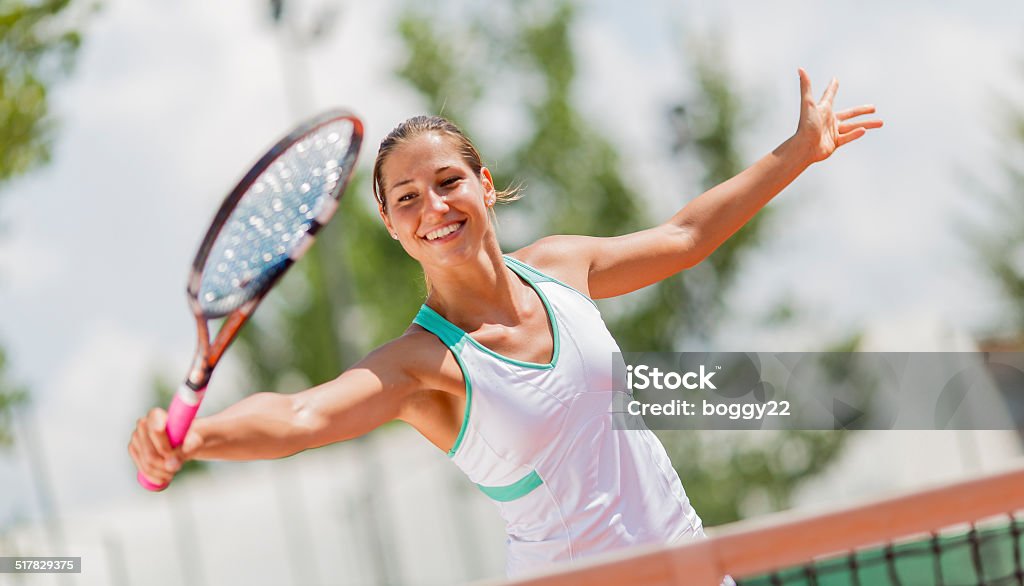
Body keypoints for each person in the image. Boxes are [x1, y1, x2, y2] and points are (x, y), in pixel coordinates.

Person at [129, 69, 882, 578]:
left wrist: (800, 151)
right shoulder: (423, 367)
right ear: (391, 225)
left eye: (448, 181)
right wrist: (198, 438)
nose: (435, 208)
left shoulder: (559, 267)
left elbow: (686, 237)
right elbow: (298, 415)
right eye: (407, 200)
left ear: (485, 185)